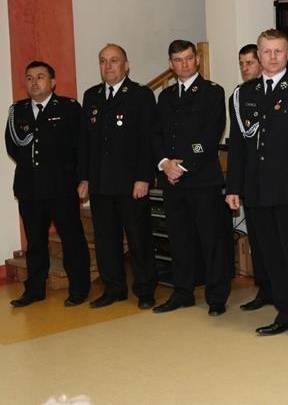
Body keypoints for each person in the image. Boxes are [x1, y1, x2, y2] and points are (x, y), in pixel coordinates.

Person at [225, 29, 288, 344]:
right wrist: (233, 188)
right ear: (258, 55)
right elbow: (238, 146)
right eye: (266, 52)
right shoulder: (244, 94)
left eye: (278, 51)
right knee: (270, 257)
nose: (272, 57)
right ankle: (286, 313)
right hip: (256, 189)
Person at [151, 40, 233, 317]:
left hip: (202, 179)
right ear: (170, 64)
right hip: (172, 180)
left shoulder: (212, 92)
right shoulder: (165, 96)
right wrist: (164, 163)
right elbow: (157, 134)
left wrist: (182, 166)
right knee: (179, 240)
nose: (183, 64)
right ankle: (183, 292)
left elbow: (210, 136)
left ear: (197, 60)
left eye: (188, 58)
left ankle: (217, 296)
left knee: (211, 240)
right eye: (177, 60)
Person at [78, 44, 158, 310]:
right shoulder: (91, 96)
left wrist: (144, 177)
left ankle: (145, 289)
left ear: (126, 65)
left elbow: (148, 139)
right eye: (103, 61)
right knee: (106, 240)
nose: (108, 66)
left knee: (138, 239)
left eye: (114, 60)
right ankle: (114, 288)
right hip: (100, 182)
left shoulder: (140, 95)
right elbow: (86, 142)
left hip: (131, 182)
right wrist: (84, 178)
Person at [5, 61, 91, 307]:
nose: (34, 82)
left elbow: (82, 146)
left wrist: (84, 178)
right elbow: (13, 146)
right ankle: (34, 290)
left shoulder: (68, 108)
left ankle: (79, 288)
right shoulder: (18, 111)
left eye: (40, 77)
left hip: (61, 187)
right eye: (29, 78)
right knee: (35, 243)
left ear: (52, 82)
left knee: (72, 240)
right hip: (29, 188)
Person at [232, 43, 274, 312]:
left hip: (275, 181)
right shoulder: (239, 96)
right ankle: (265, 290)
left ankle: (282, 291)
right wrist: (235, 186)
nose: (245, 68)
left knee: (276, 242)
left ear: (260, 62)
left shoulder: (275, 94)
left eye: (249, 62)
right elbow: (238, 146)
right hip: (251, 181)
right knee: (257, 241)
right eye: (242, 64)